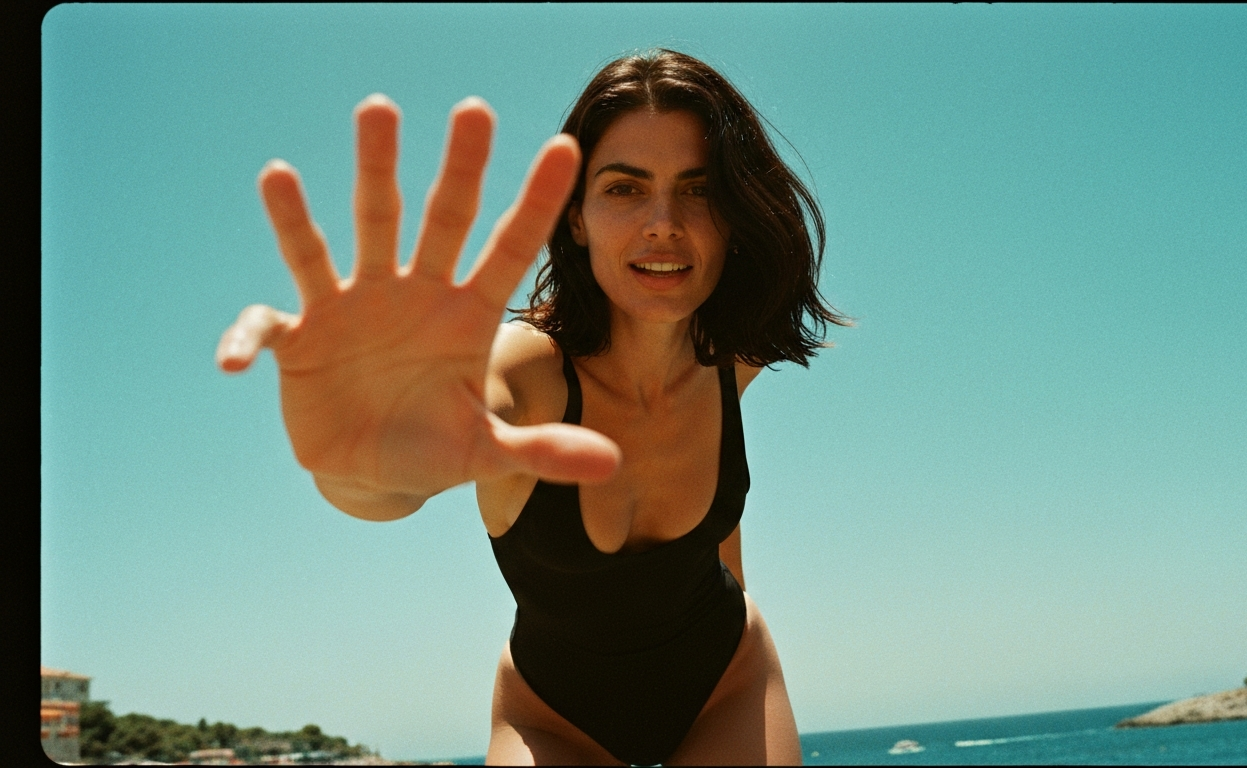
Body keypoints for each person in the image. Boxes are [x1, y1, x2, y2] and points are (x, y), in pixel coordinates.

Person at [216, 49, 846, 766]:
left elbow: (718, 539)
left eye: (698, 190)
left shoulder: (732, 361)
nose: (663, 222)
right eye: (624, 189)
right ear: (575, 218)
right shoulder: (527, 372)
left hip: (725, 685)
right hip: (554, 722)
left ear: (733, 214)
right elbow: (399, 475)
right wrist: (355, 462)